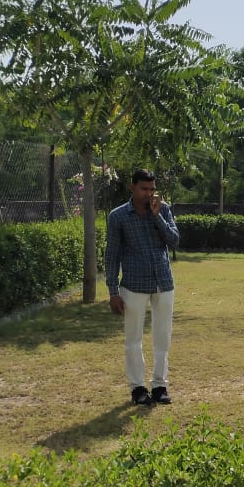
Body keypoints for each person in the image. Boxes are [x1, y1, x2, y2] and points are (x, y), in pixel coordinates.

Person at [105, 168, 181, 405]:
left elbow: (174, 240)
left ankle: (160, 386)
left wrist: (157, 217)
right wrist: (113, 291)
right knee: (133, 339)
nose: (149, 194)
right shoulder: (118, 216)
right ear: (132, 188)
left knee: (162, 337)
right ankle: (137, 388)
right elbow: (112, 255)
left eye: (152, 189)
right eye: (144, 189)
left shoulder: (163, 209)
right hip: (133, 285)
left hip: (163, 283)